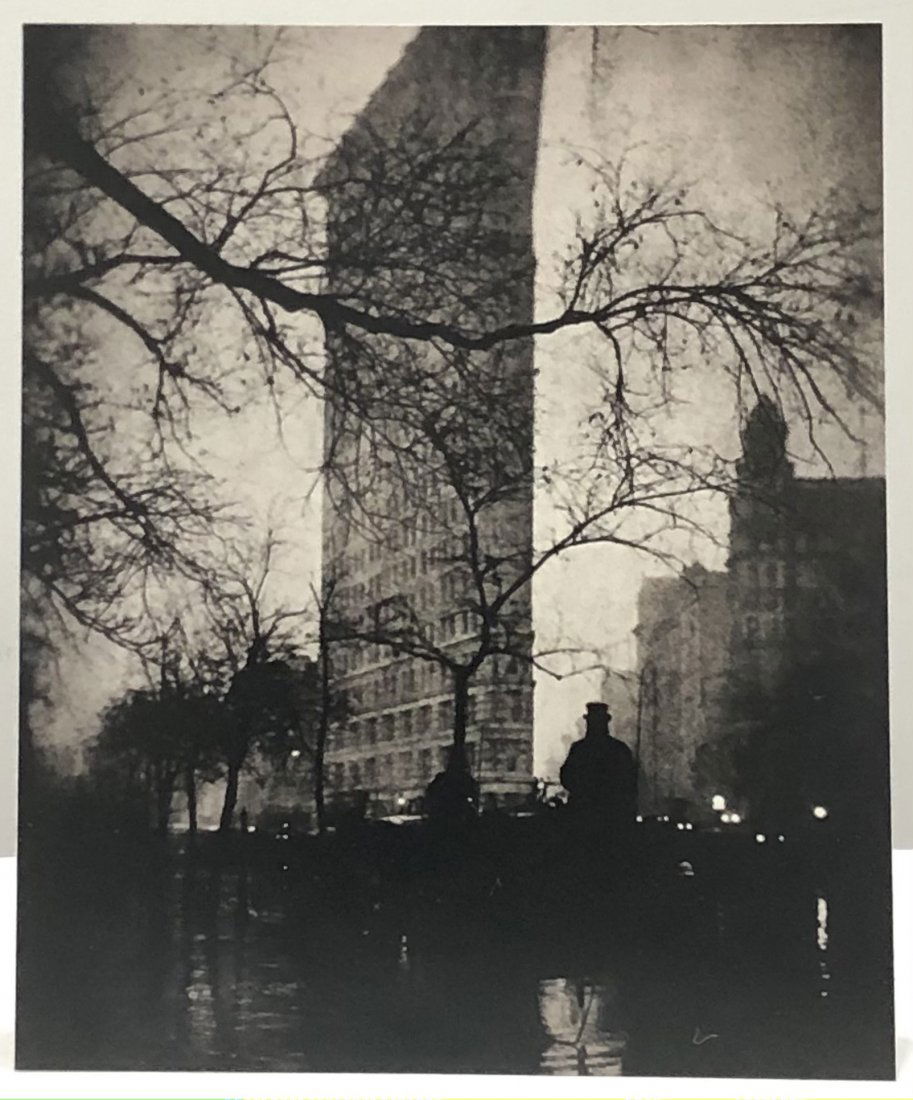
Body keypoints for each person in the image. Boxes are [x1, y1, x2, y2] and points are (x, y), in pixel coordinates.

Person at [559, 702, 637, 836]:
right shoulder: (619, 749)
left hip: (584, 816)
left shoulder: (580, 749)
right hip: (611, 817)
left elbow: (567, 777)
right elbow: (629, 782)